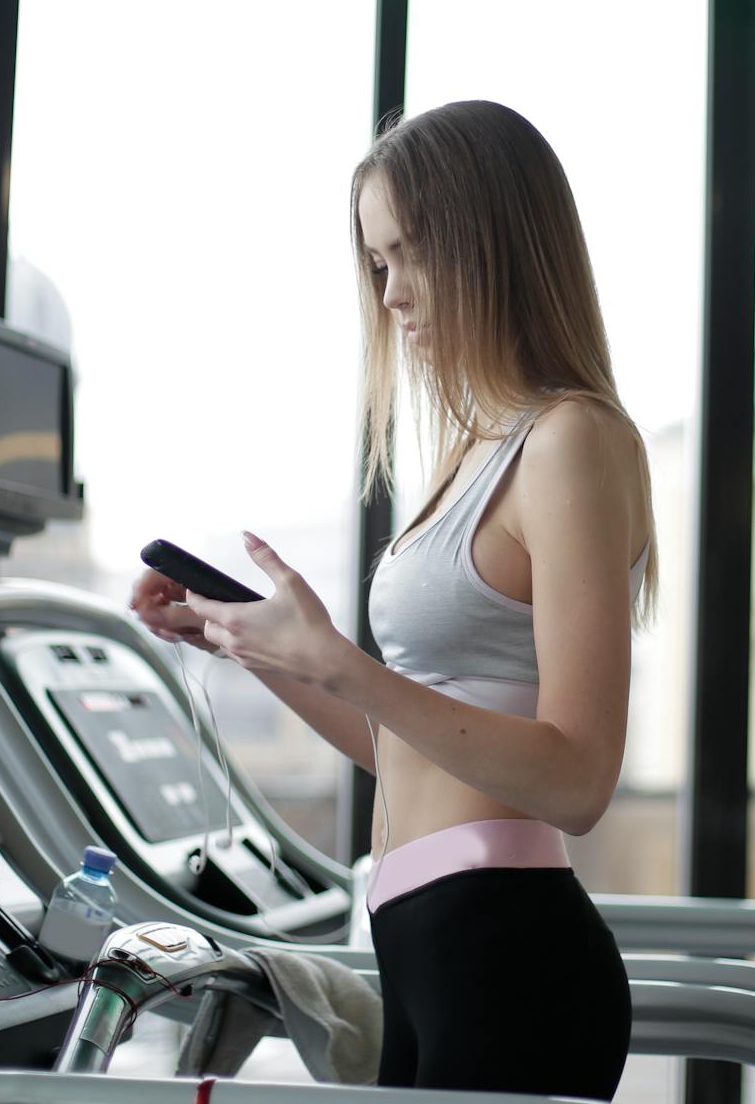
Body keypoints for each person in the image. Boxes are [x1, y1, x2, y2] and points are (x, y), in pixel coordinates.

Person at [131, 99, 657, 1098]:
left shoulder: (572, 440)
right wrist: (244, 641)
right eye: (376, 262)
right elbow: (401, 743)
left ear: (491, 242)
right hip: (426, 940)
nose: (392, 292)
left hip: (505, 951)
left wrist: (337, 657)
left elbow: (578, 777)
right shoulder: (473, 448)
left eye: (410, 253)